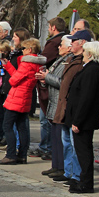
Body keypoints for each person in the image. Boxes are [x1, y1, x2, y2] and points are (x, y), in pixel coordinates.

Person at [62, 38, 99, 194]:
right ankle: (83, 180)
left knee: (84, 152)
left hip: (84, 119)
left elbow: (86, 98)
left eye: (85, 52)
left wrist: (77, 121)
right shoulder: (91, 69)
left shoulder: (92, 71)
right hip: (83, 117)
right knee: (83, 151)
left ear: (90, 53)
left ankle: (86, 183)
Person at [0, 37, 44, 165]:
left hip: (17, 97)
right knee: (22, 127)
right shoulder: (37, 63)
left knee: (7, 126)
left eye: (23, 48)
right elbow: (19, 75)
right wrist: (8, 66)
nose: (22, 50)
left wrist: (9, 71)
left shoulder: (27, 63)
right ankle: (22, 155)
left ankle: (11, 154)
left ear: (29, 49)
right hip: (25, 97)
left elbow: (14, 80)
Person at [41, 31, 80, 181]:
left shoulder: (68, 62)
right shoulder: (60, 60)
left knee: (61, 138)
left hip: (60, 102)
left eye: (61, 45)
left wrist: (47, 77)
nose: (59, 48)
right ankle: (56, 165)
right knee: (56, 137)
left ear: (69, 47)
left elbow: (62, 82)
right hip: (54, 101)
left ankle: (63, 168)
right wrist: (44, 78)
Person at [37, 17, 67, 158]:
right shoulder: (56, 42)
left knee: (47, 118)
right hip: (50, 83)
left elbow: (43, 60)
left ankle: (47, 148)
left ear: (53, 27)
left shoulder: (54, 42)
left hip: (51, 86)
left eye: (49, 27)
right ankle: (48, 148)